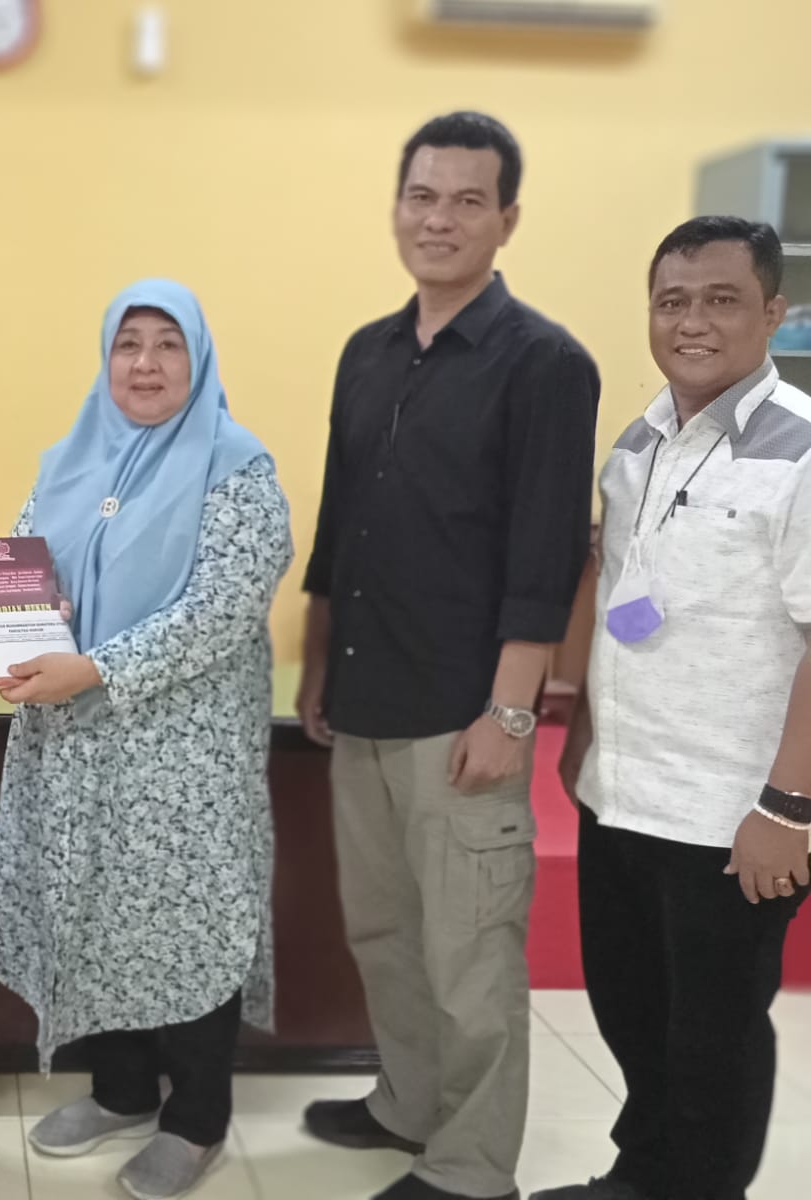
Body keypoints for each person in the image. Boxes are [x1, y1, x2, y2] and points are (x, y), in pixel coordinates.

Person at [296, 112, 600, 1200]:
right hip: (364, 700)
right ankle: (408, 1103)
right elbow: (339, 529)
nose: (440, 219)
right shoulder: (368, 352)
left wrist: (511, 714)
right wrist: (318, 666)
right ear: (397, 207)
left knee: (471, 958)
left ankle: (471, 1167)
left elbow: (545, 556)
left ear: (506, 220)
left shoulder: (545, 363)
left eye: (469, 201)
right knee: (385, 933)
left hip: (464, 716)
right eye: (423, 196)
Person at [0, 279, 292, 1200]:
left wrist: (94, 666)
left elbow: (219, 611)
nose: (147, 364)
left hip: (182, 758)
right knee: (88, 910)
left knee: (186, 922)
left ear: (198, 358)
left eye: (169, 344)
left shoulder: (237, 469)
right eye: (129, 344)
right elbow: (21, 565)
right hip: (75, 747)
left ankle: (196, 1119)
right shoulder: (68, 460)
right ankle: (121, 1089)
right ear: (106, 358)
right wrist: (17, 626)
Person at [532, 219, 811, 1200]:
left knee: (712, 1040)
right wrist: (582, 736)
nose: (692, 322)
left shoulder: (802, 451)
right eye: (672, 301)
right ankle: (643, 1173)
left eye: (721, 300)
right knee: (632, 1013)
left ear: (772, 312)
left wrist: (788, 809)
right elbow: (619, 597)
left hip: (733, 817)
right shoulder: (638, 441)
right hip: (622, 794)